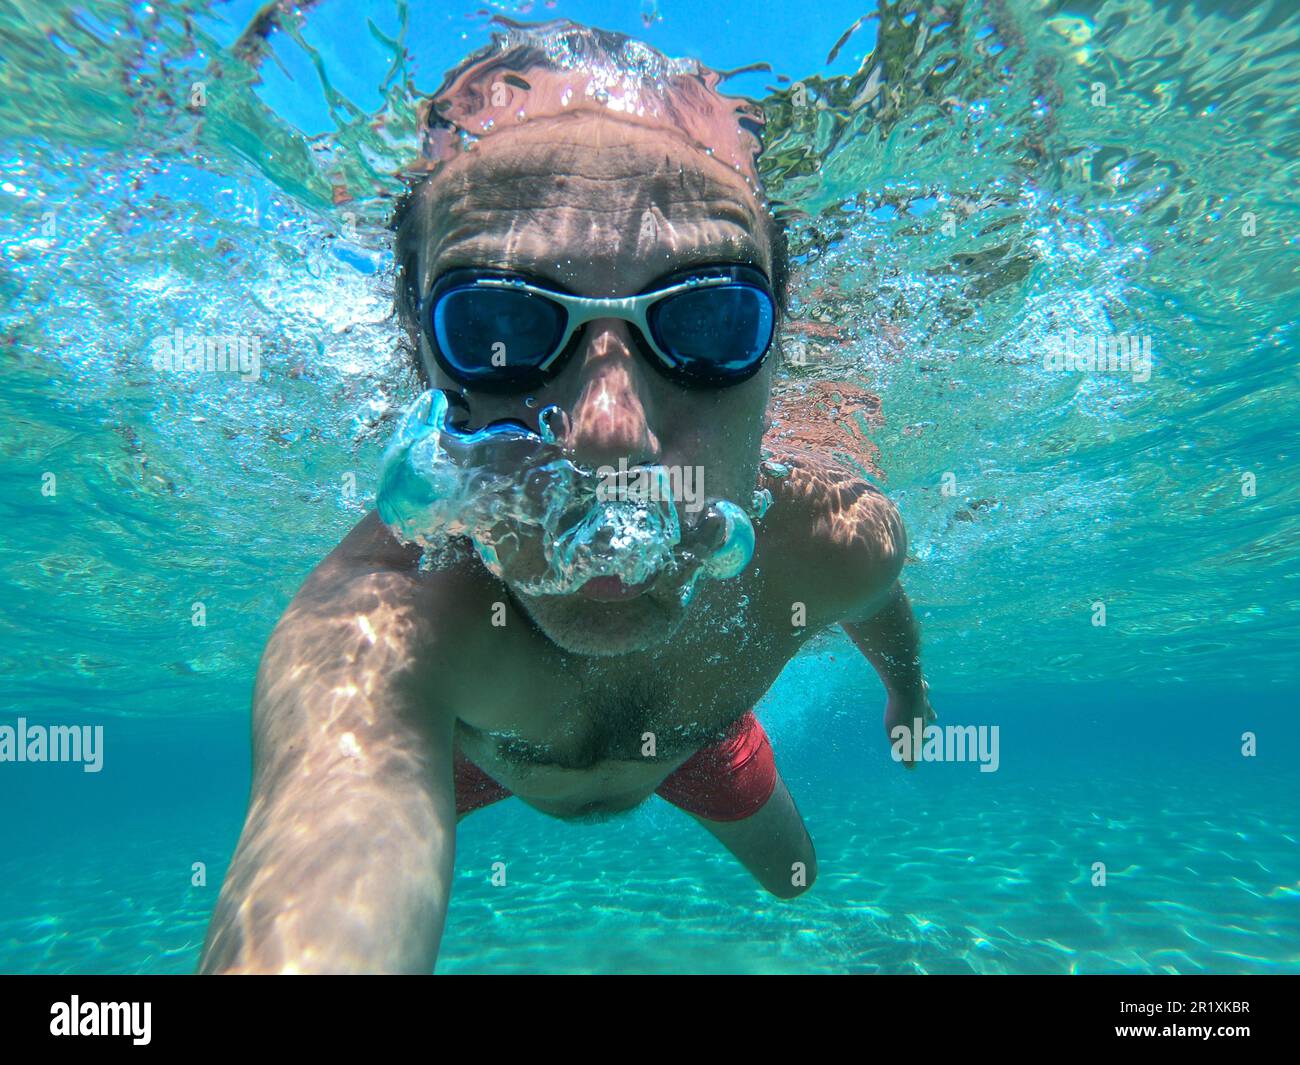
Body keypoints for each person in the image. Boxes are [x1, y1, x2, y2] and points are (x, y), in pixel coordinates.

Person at [200, 20, 933, 975]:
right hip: (479, 757)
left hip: (698, 745)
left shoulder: (835, 545)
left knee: (795, 879)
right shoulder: (382, 632)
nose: (609, 433)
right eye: (499, 326)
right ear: (415, 363)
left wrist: (907, 693)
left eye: (710, 320)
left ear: (779, 359)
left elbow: (881, 605)